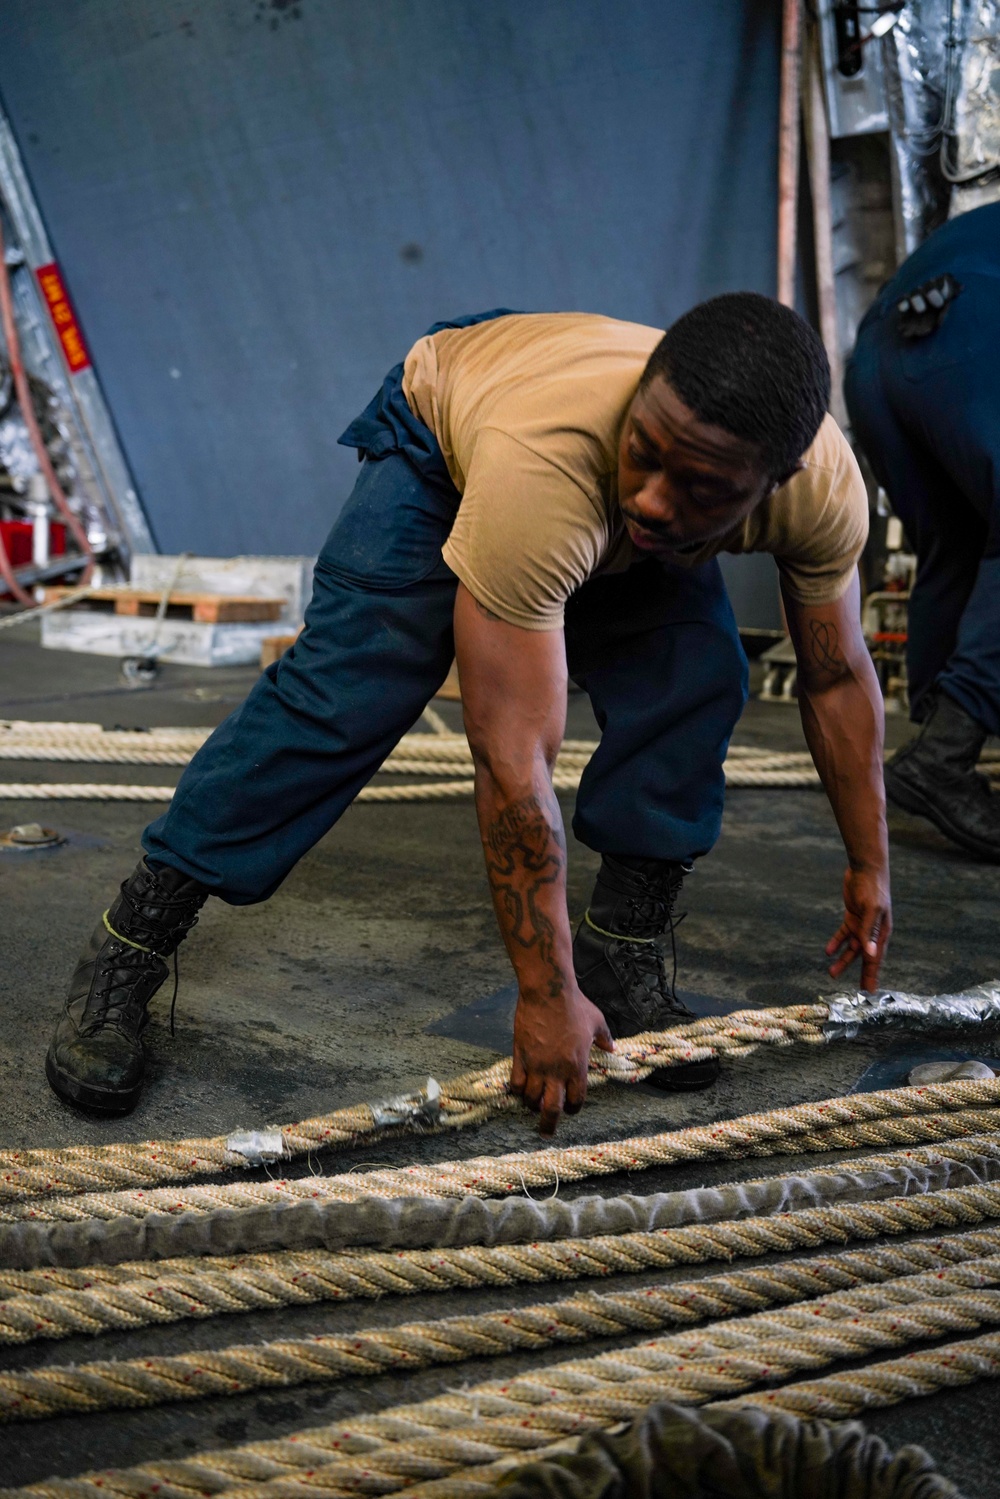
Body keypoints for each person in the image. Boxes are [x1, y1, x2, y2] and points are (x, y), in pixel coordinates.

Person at [46, 295, 892, 1132]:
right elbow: (511, 754)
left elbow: (834, 678)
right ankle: (131, 942)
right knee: (347, 693)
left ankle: (619, 947)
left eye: (701, 487)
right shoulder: (546, 466)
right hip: (447, 428)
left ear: (777, 481)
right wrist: (543, 996)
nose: (655, 502)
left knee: (695, 674)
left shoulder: (821, 493)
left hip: (557, 431)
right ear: (638, 408)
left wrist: (869, 866)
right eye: (646, 455)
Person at [846, 201, 1000, 861]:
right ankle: (942, 757)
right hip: (971, 336)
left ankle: (931, 738)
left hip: (881, 351)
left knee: (956, 546)